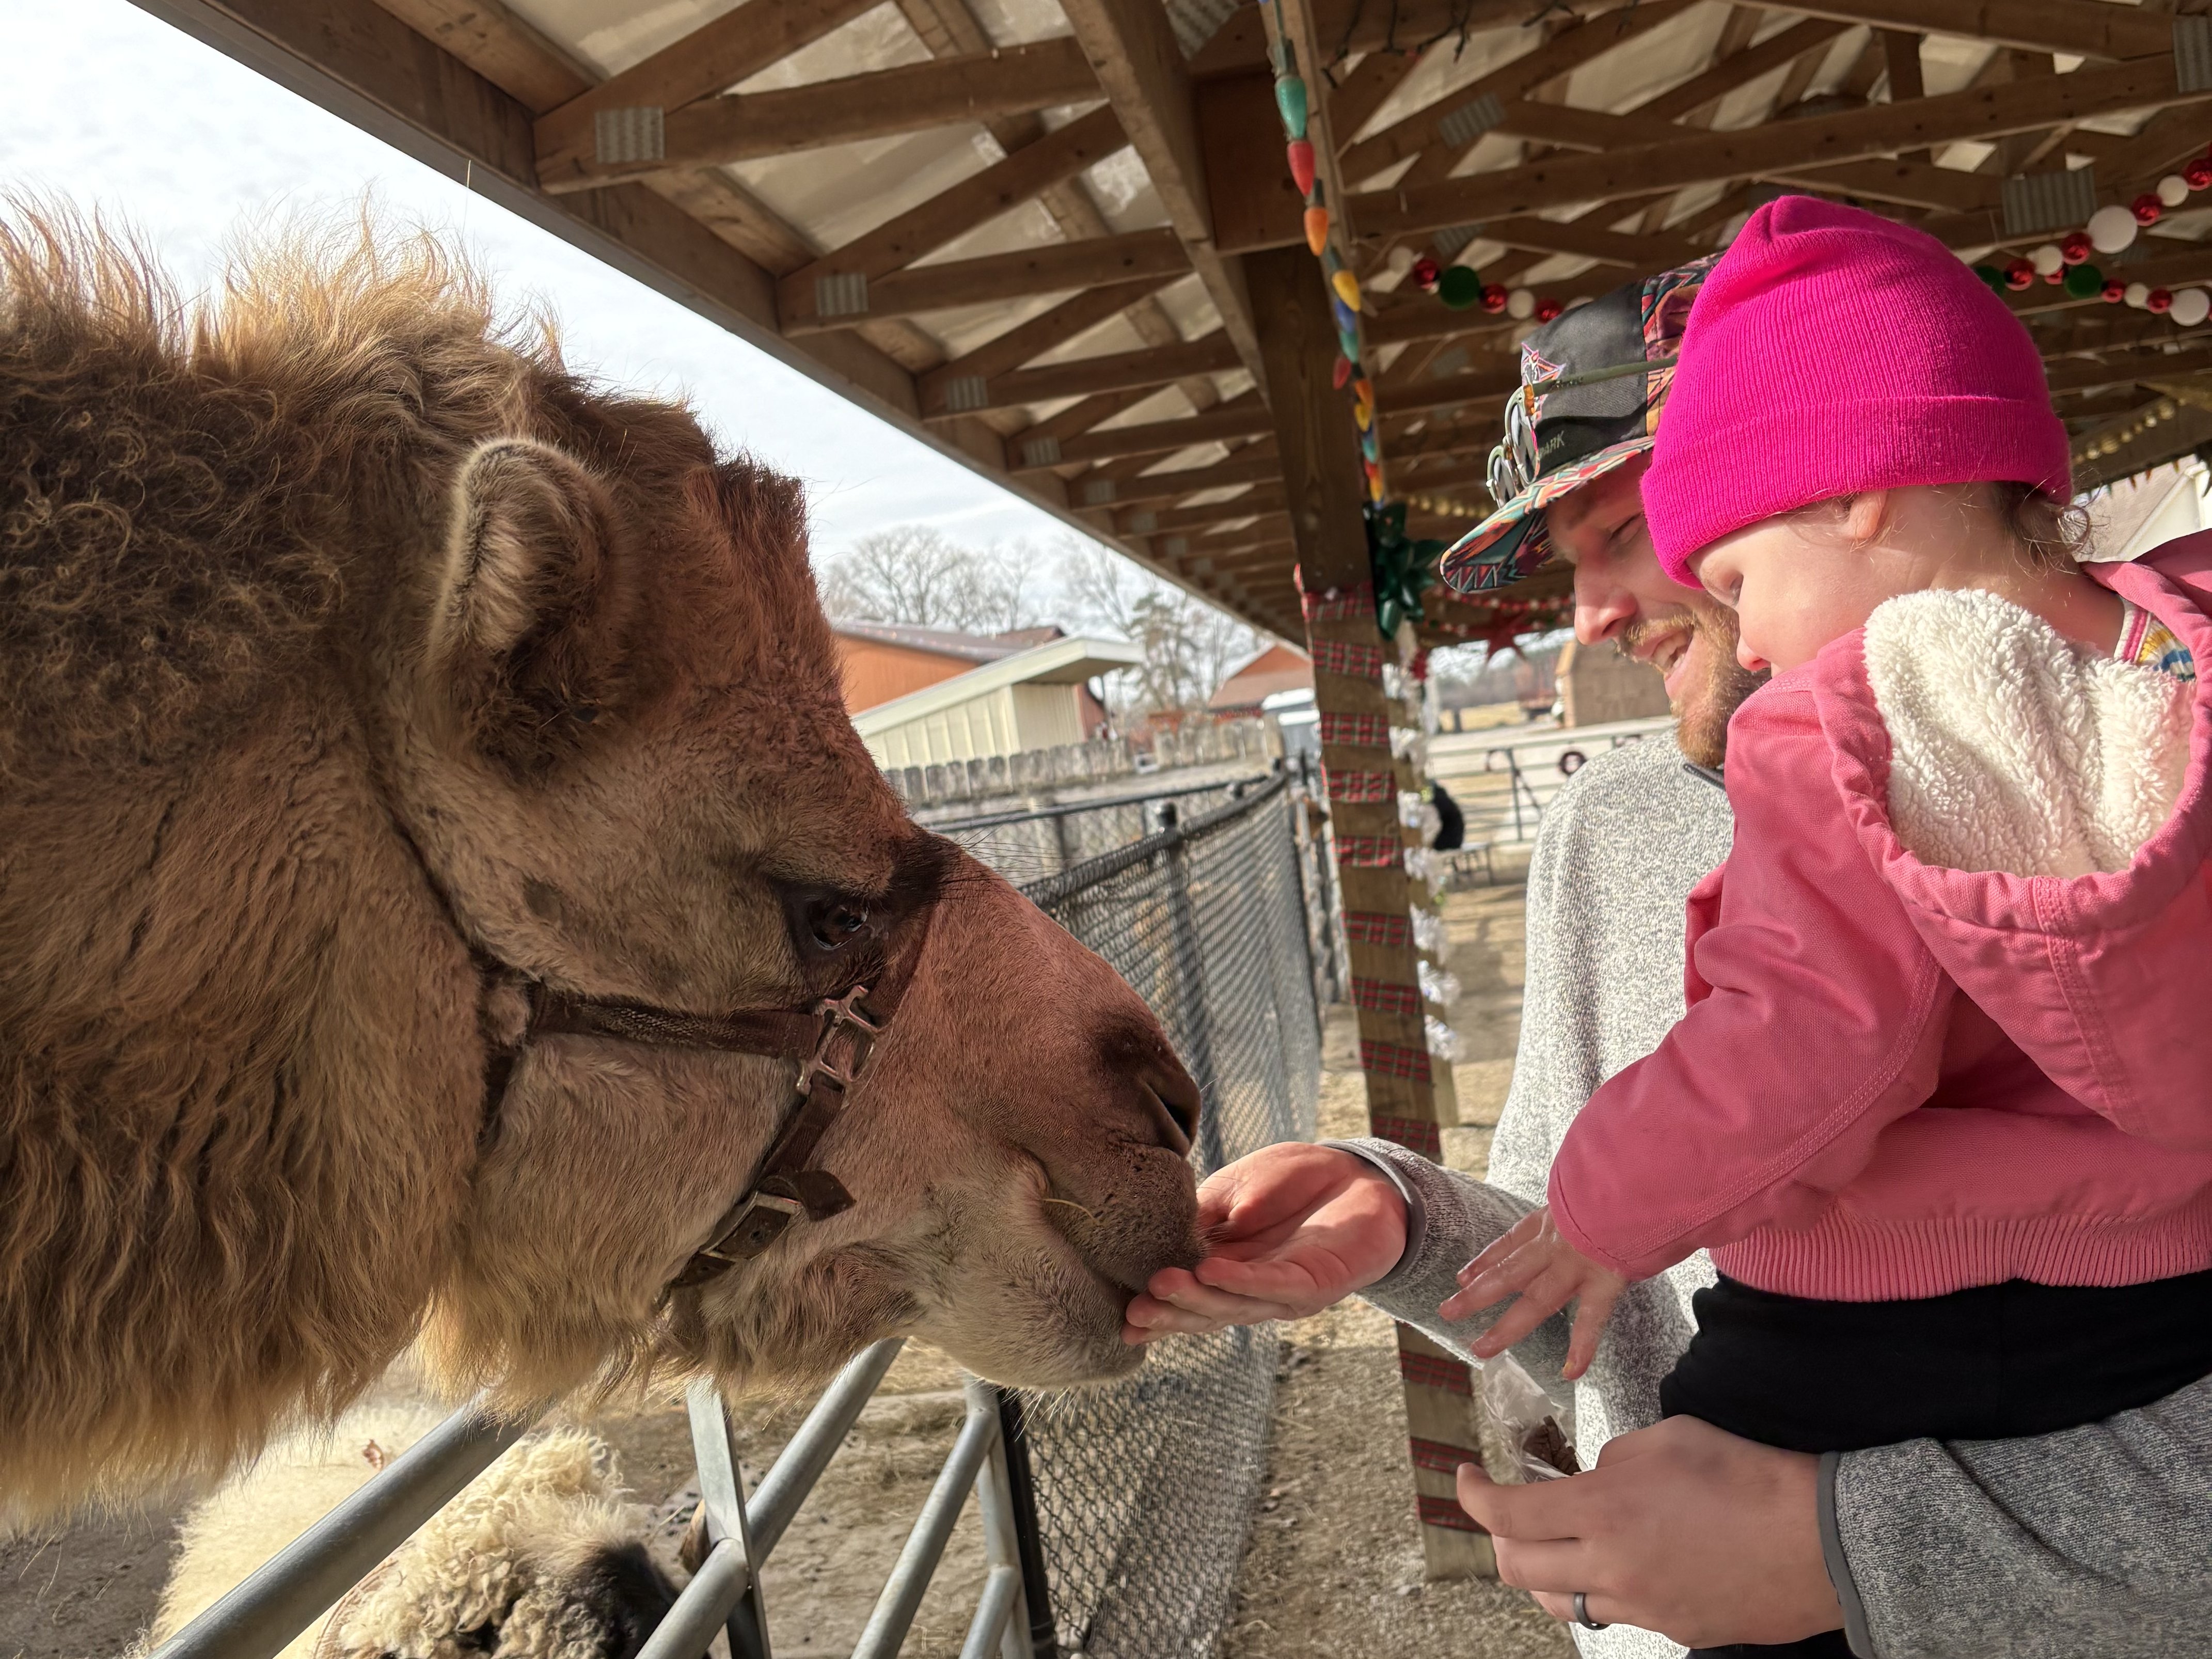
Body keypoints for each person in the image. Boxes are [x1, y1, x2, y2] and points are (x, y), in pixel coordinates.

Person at [1125, 244, 2212, 1659]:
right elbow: (1601, 1287)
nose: (1586, 612)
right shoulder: (1608, 833)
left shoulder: (1831, 751)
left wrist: (1850, 1548)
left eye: (1626, 531)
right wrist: (1398, 1225)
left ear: (1839, 481)